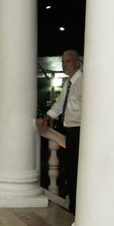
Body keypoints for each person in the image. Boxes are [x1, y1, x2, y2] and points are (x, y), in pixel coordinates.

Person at [36, 49, 83, 214]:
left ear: (78, 62)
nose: (64, 64)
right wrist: (47, 118)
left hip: (80, 132)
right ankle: (73, 207)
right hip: (69, 132)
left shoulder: (84, 82)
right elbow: (59, 104)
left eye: (68, 61)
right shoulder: (68, 83)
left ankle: (78, 207)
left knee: (77, 171)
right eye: (63, 61)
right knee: (70, 169)